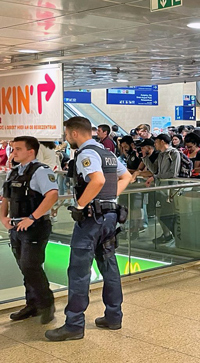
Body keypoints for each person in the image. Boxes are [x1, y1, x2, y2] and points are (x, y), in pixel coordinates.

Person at [46, 116, 133, 341]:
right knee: (109, 265)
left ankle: (74, 324)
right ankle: (114, 316)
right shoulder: (108, 153)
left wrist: (80, 205)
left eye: (67, 134)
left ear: (75, 133)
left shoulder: (86, 153)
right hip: (110, 216)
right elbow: (126, 176)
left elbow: (97, 180)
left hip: (92, 219)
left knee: (78, 270)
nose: (66, 138)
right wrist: (110, 198)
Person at [1, 136, 58, 324]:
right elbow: (6, 198)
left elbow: (52, 195)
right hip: (16, 226)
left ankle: (47, 303)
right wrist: (3, 217)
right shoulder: (15, 172)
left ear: (30, 151)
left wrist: (32, 218)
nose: (13, 152)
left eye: (17, 149)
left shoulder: (40, 171)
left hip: (35, 227)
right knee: (23, 266)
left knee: (30, 265)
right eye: (13, 149)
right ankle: (32, 304)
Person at [141, 134, 183, 244]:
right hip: (160, 188)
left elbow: (172, 173)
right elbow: (155, 170)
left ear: (163, 141)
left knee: (169, 213)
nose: (155, 144)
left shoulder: (173, 153)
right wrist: (145, 157)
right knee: (160, 213)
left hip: (170, 189)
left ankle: (175, 236)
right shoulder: (161, 155)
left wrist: (155, 177)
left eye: (156, 142)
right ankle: (166, 234)